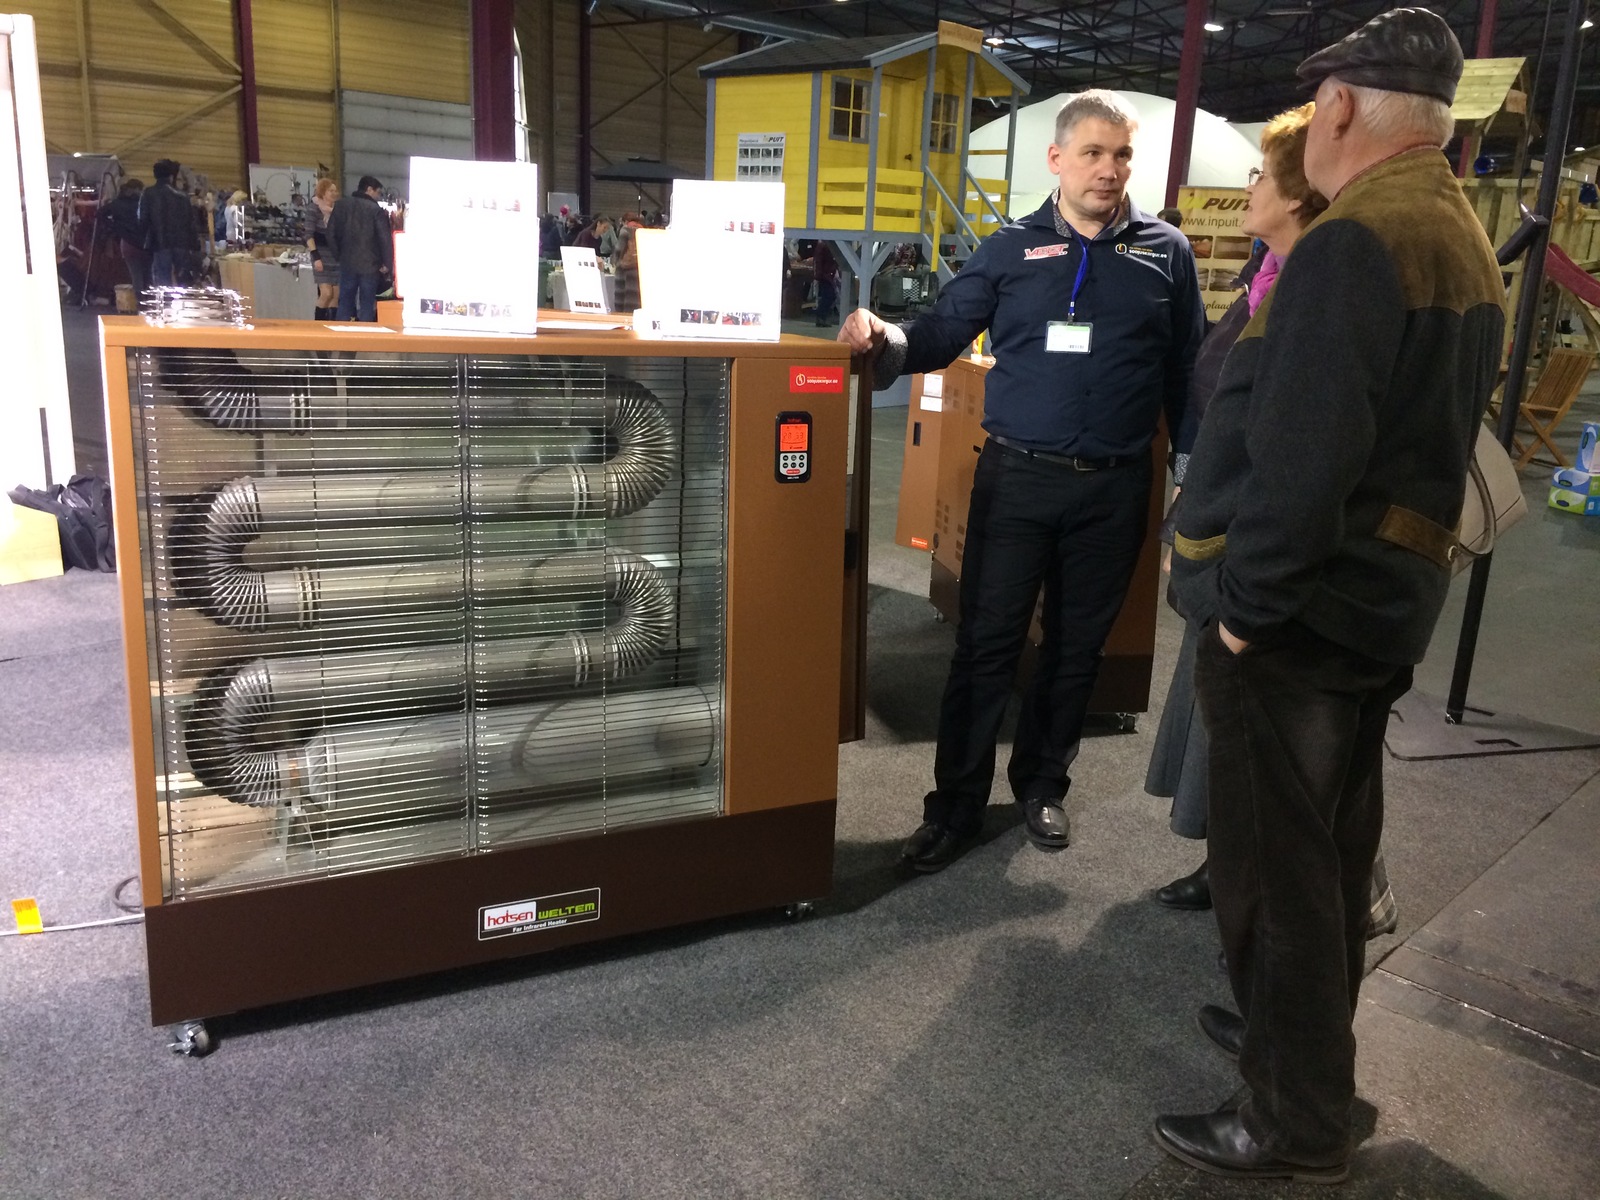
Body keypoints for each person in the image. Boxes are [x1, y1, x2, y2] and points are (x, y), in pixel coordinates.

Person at [1154, 9, 1505, 1183]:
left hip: (1299, 619)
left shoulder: (1357, 238)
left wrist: (1244, 612)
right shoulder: (1450, 225)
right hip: (1380, 602)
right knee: (1331, 855)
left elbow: (1303, 456)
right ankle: (1298, 1056)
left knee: (1277, 874)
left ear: (1341, 106)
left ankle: (1290, 1118)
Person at [838, 89, 1204, 874]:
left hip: (1115, 488)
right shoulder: (1009, 248)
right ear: (1057, 159)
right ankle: (954, 808)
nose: (1109, 170)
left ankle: (1042, 784)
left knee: (1076, 650)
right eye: (1094, 153)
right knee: (986, 647)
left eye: (1122, 155)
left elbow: (1185, 370)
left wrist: (1192, 473)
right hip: (1017, 482)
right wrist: (883, 332)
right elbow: (941, 333)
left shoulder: (1166, 252)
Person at [328, 175, 392, 322]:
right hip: (370, 265)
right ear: (369, 190)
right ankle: (365, 335)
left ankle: (340, 334)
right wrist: (387, 264)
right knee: (367, 305)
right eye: (378, 192)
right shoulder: (376, 210)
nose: (378, 196)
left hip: (347, 263)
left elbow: (330, 234)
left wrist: (339, 255)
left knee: (344, 303)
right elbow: (385, 239)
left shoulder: (341, 205)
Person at [140, 159, 200, 287]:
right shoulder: (183, 196)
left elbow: (143, 219)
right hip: (182, 242)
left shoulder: (148, 193)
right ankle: (184, 299)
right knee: (183, 278)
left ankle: (165, 299)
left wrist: (144, 242)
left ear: (155, 175)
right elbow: (191, 222)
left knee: (163, 279)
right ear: (171, 176)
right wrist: (195, 245)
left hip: (159, 242)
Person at [100, 178, 148, 300]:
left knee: (136, 275)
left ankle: (140, 303)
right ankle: (150, 302)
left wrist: (114, 226)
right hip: (145, 243)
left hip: (127, 243)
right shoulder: (143, 203)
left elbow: (99, 214)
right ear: (137, 189)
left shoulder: (117, 203)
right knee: (147, 275)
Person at [305, 178, 341, 320]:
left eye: (335, 191)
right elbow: (308, 235)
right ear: (323, 192)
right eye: (330, 191)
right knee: (326, 293)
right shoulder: (313, 209)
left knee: (336, 295)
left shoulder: (337, 211)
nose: (334, 193)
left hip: (336, 256)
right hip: (321, 254)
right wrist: (316, 257)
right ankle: (318, 324)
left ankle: (331, 325)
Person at [812, 240, 839, 326]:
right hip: (825, 276)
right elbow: (819, 261)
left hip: (826, 275)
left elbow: (819, 261)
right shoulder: (824, 246)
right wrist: (818, 275)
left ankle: (821, 317)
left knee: (828, 296)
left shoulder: (824, 246)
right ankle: (821, 317)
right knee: (829, 296)